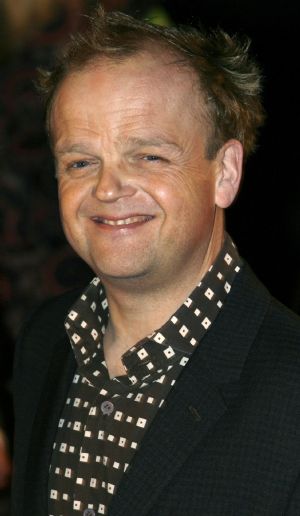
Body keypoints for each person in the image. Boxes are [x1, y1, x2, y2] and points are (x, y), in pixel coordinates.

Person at [12, 6, 300, 516]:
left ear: (226, 172)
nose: (106, 187)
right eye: (80, 162)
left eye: (148, 155)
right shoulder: (44, 342)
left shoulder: (290, 386)